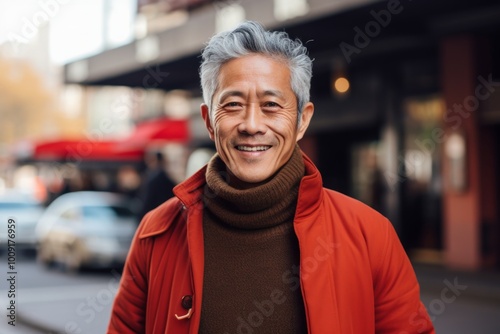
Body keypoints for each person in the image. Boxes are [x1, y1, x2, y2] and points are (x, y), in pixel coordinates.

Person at [107, 21, 435, 333]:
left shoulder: (370, 236)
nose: (252, 125)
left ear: (302, 121)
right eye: (233, 104)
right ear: (208, 121)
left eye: (271, 105)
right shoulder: (156, 235)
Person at [137, 151, 175, 220]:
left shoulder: (153, 178)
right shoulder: (165, 177)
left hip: (155, 216)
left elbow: (147, 201)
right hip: (164, 215)